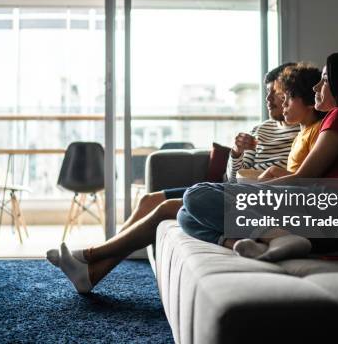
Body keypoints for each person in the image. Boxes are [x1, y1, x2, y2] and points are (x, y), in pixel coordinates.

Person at [46, 63, 300, 293]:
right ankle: (93, 268)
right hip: (229, 189)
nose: (269, 99)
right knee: (148, 199)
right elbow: (232, 178)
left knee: (166, 208)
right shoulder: (261, 129)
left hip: (247, 198)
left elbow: (294, 178)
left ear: (289, 94)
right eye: (267, 92)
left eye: (275, 93)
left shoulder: (300, 133)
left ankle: (91, 258)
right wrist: (236, 153)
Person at [176, 52, 338, 260]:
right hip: (323, 217)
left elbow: (305, 177)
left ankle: (274, 237)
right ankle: (248, 243)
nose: (316, 88)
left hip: (332, 211)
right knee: (184, 214)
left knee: (196, 195)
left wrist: (251, 191)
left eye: (325, 80)